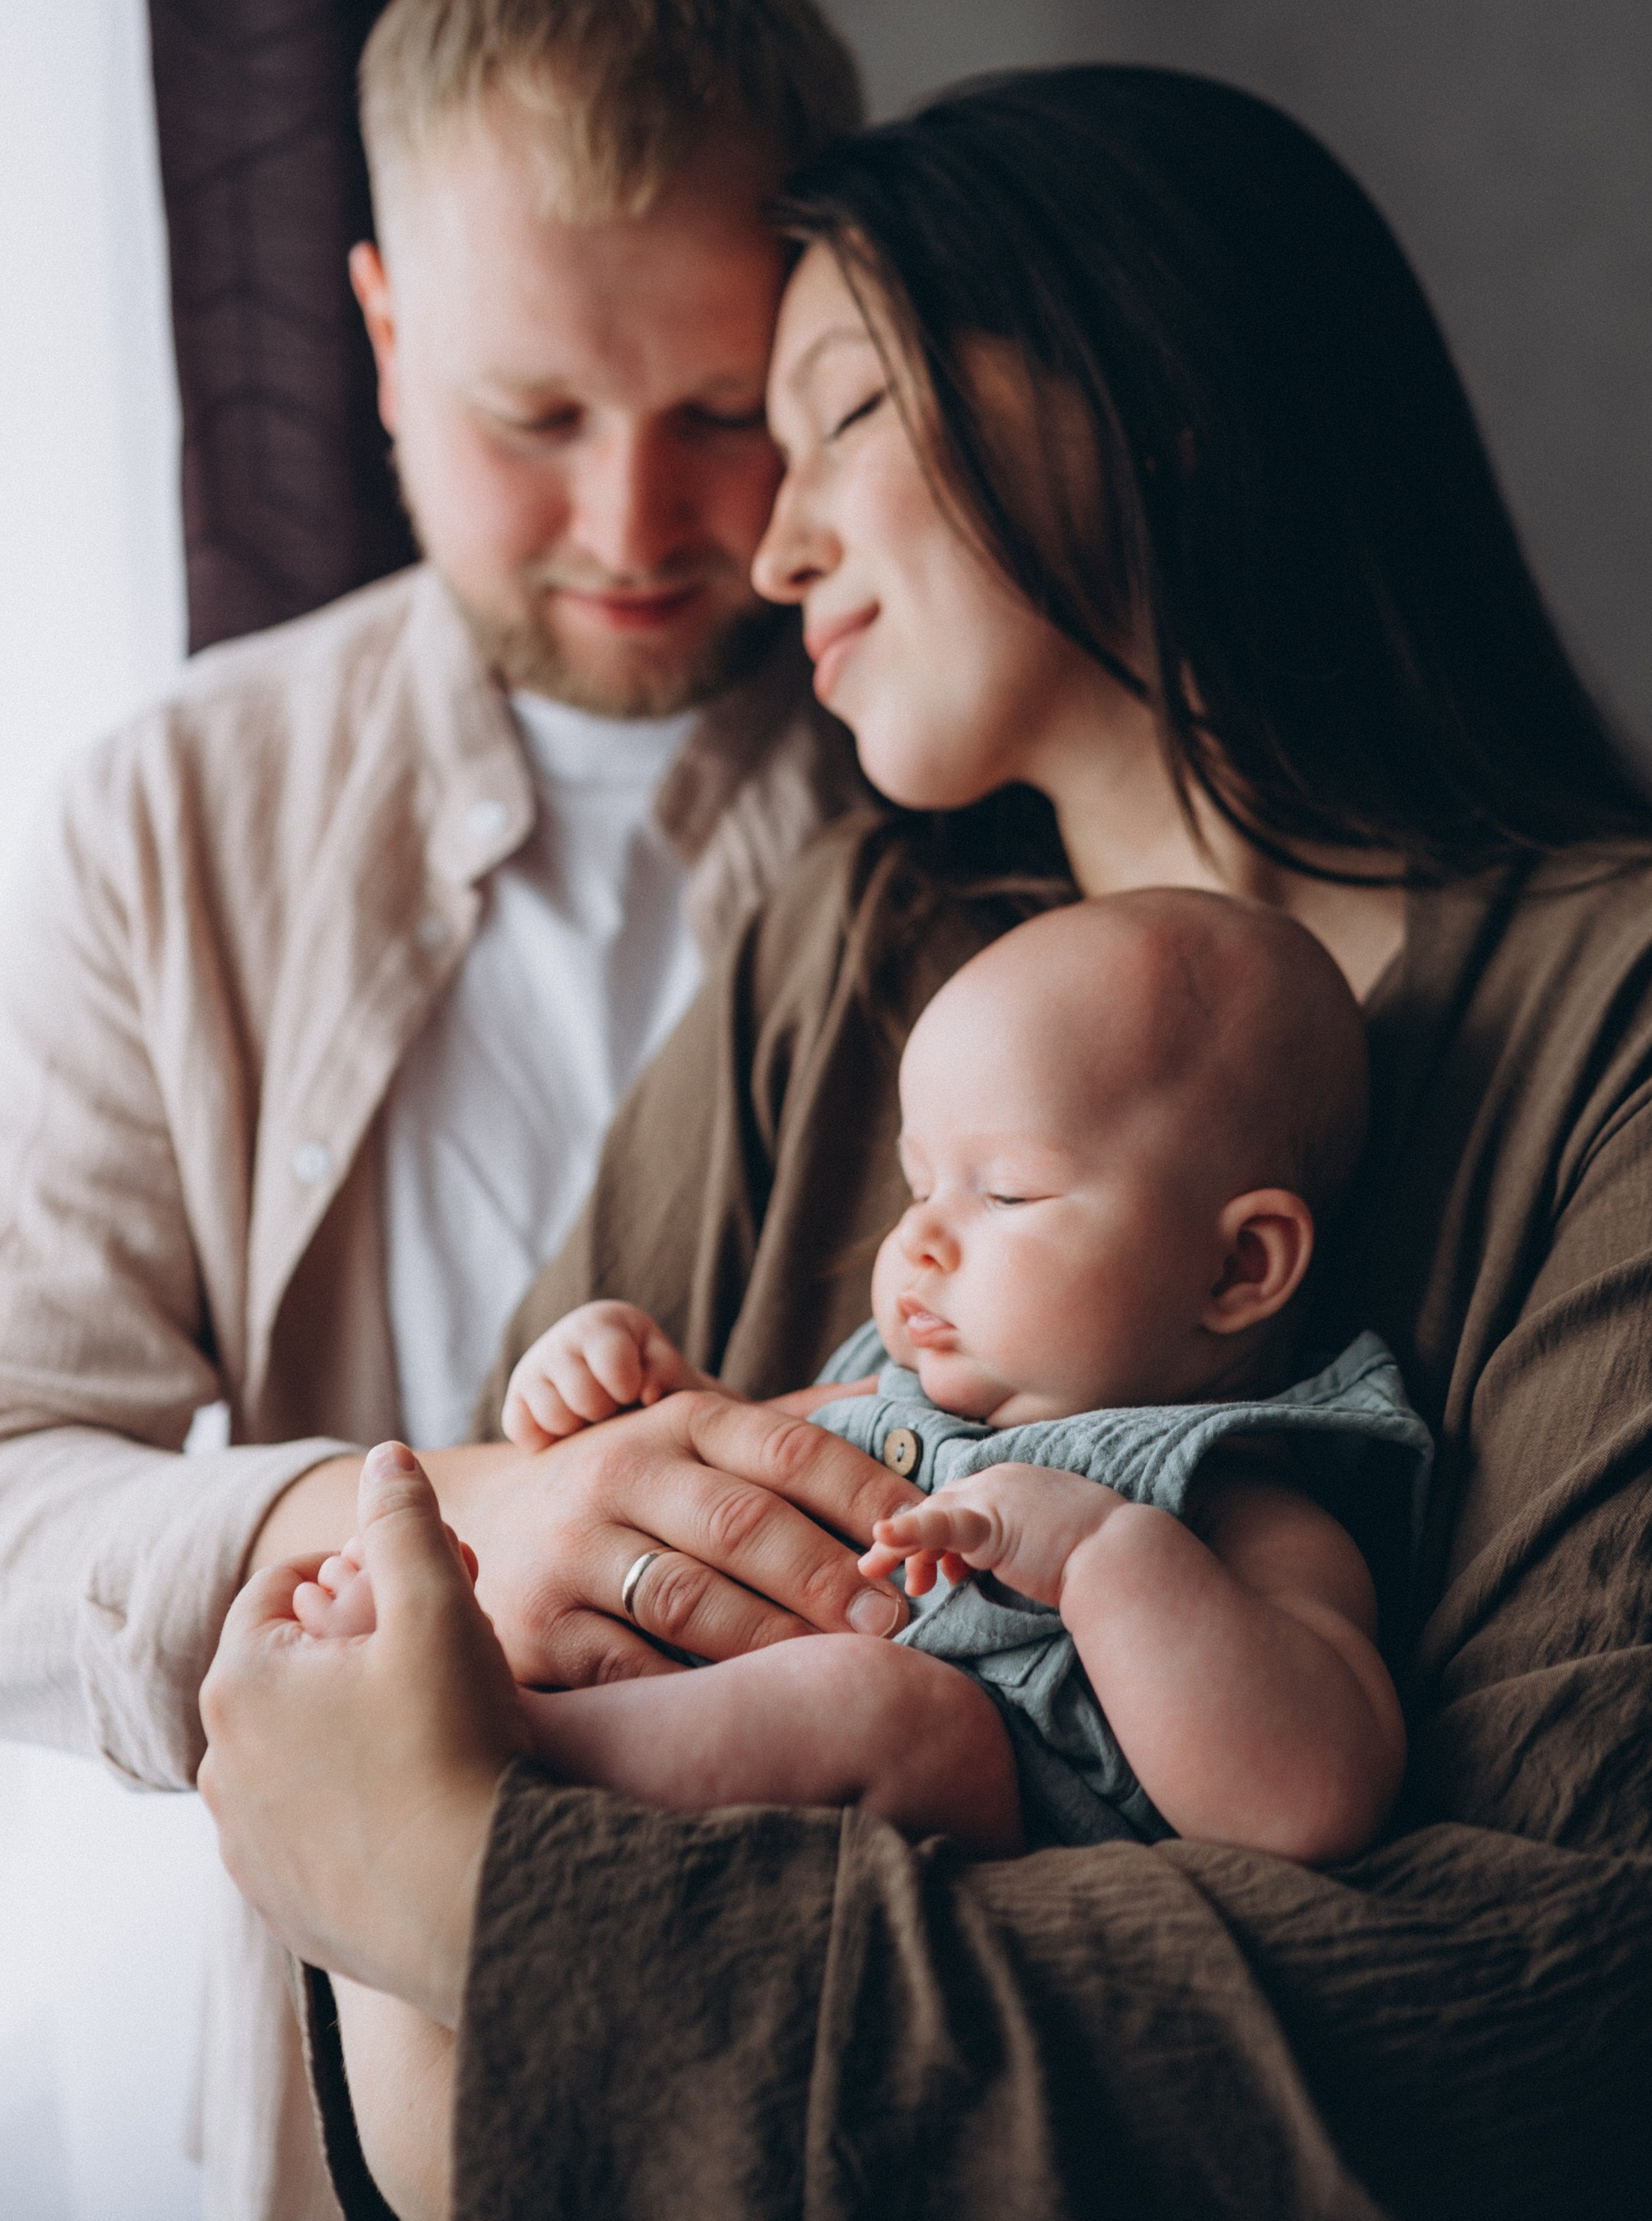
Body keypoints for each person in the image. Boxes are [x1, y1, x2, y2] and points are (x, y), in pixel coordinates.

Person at [202, 66, 1652, 2221]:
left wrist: (479, 1910)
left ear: (1151, 395)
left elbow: (1541, 2025)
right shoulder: (837, 948)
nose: (766, 541)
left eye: (844, 415)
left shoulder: (1599, 1022)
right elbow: (453, 1622)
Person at [0, 0, 870, 2221]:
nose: (635, 528)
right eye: (528, 417)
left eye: (722, 412)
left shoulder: (960, 780)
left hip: (876, 2016)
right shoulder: (168, 817)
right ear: (374, 334)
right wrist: (429, 1514)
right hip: (341, 2069)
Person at [296, 887, 1434, 2221]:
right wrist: (655, 1397)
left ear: (1239, 1267)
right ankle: (465, 1734)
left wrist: (1101, 1556)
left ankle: (483, 1751)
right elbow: (726, 1496)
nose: (918, 1241)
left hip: (956, 1867)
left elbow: (1313, 1796)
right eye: (917, 1184)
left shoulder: (1238, 1492)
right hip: (696, 1858)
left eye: (1003, 1189)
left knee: (897, 1710)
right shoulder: (890, 1390)